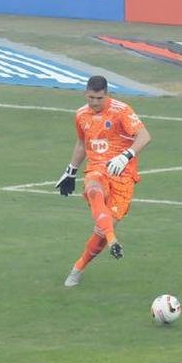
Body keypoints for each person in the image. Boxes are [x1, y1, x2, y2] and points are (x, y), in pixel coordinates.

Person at [55, 75, 152, 287]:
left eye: (99, 98)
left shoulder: (121, 110)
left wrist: (125, 156)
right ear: (85, 94)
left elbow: (144, 136)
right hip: (97, 168)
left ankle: (79, 267)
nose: (94, 102)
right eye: (91, 97)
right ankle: (112, 240)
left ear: (106, 94)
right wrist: (71, 170)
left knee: (101, 230)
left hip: (123, 175)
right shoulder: (81, 115)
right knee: (93, 187)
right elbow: (82, 144)